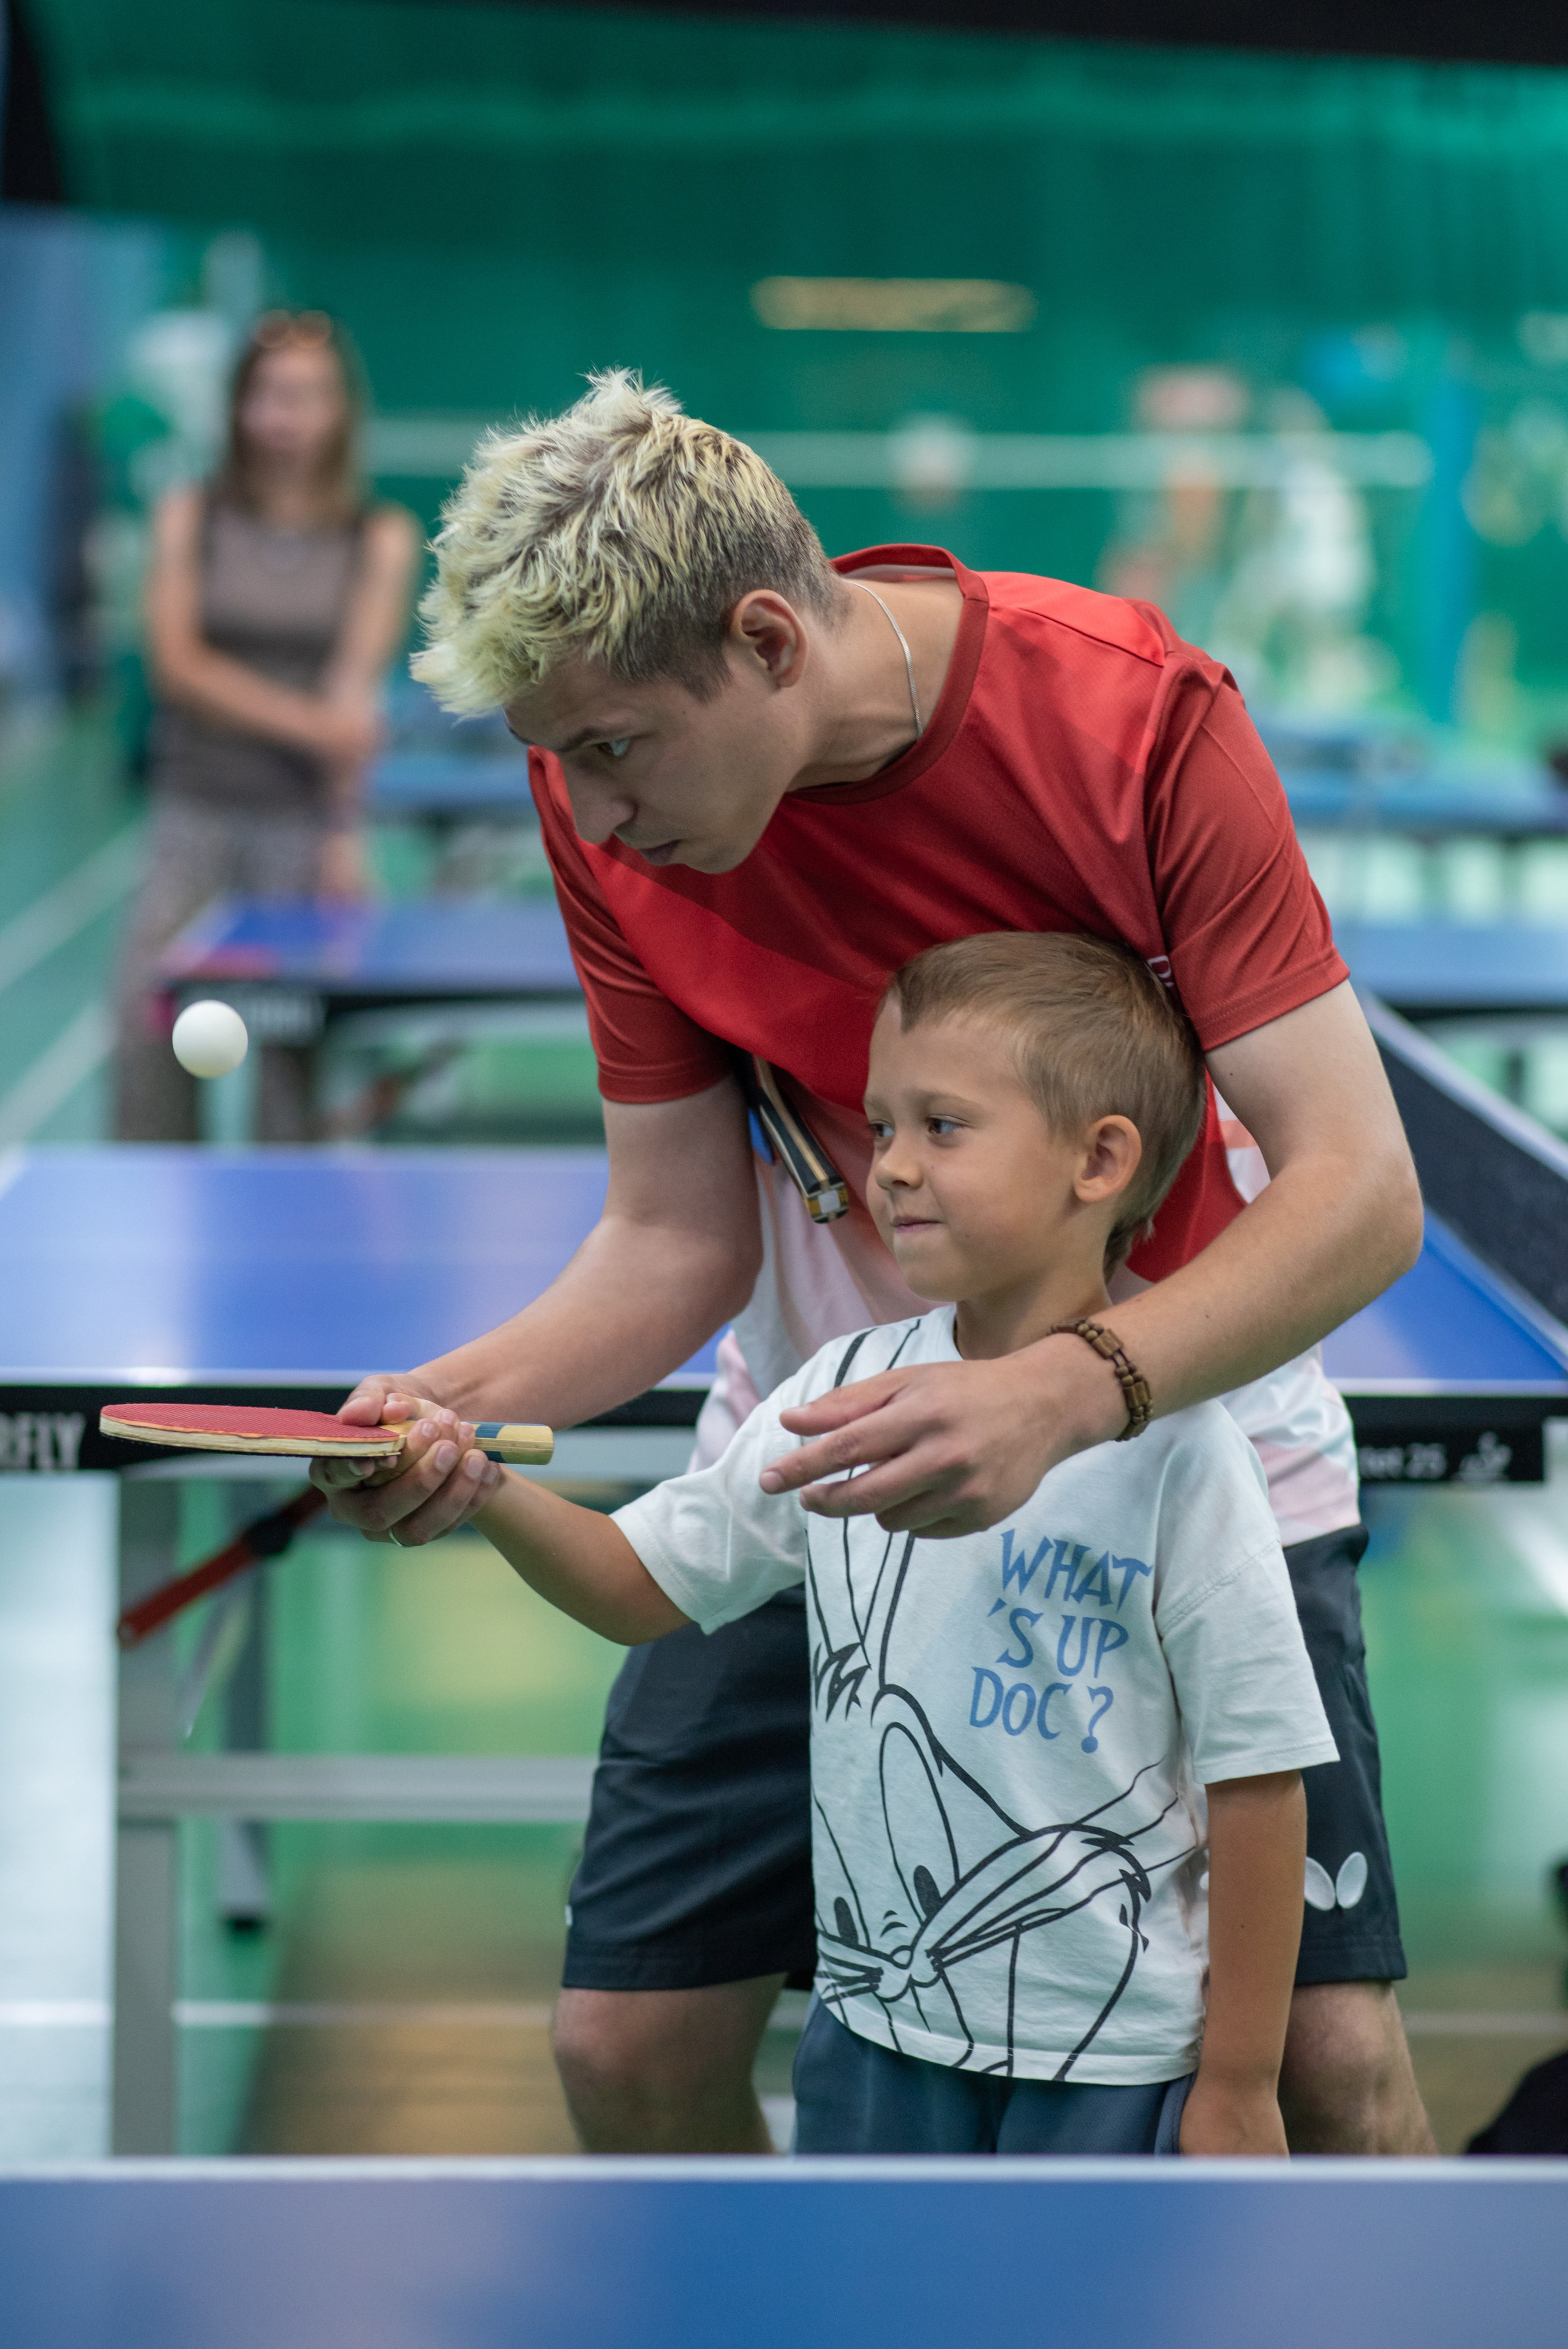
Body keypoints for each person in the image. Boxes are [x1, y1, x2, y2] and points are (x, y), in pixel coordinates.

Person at [312, 371, 1433, 2155]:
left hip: (1182, 1434)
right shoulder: (602, 807)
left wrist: (1065, 1394)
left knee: (1330, 2075)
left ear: (766, 639)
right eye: (556, 763)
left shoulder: (1134, 720)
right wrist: (432, 1417)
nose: (590, 820)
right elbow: (677, 1239)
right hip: (822, 1467)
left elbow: (1362, 1189)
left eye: (613, 750)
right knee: (623, 2041)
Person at [457, 929, 1338, 2156]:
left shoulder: (1180, 1451)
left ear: (1099, 1160)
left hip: (1109, 2066)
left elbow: (1257, 1785)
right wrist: (476, 1483)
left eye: (942, 1127)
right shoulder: (843, 1389)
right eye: (879, 1129)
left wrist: (1237, 2080)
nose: (891, 1169)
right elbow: (637, 1583)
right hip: (871, 2036)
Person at [113, 309, 418, 1141]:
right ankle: (147, 1216)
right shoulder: (190, 514)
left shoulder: (380, 538)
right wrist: (320, 727)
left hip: (299, 822)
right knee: (146, 1032)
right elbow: (178, 665)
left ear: (341, 411)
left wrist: (343, 838)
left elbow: (355, 689)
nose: (288, 416)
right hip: (195, 812)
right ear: (241, 407)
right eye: (271, 395)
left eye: (309, 396)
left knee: (294, 1067)